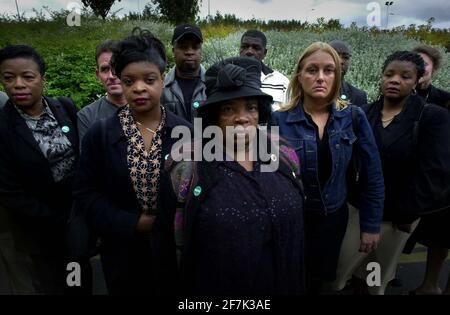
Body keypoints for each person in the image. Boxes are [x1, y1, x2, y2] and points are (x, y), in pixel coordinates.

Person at [169, 56, 305, 295]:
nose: (241, 117)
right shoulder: (186, 163)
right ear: (213, 116)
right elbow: (173, 240)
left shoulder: (284, 153)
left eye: (250, 107)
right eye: (228, 108)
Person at [73, 28, 192, 295]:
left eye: (149, 79)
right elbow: (85, 194)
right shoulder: (101, 134)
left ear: (163, 79)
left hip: (173, 253)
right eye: (129, 81)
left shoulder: (185, 133)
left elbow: (197, 190)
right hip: (122, 254)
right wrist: (132, 222)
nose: (139, 88)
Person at [334, 51, 450, 295]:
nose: (395, 80)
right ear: (381, 77)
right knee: (342, 270)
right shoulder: (363, 113)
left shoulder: (431, 117)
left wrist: (409, 212)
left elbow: (434, 172)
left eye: (405, 76)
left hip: (397, 218)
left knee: (374, 276)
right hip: (359, 209)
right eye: (389, 74)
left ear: (417, 80)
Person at [273, 42, 384, 294]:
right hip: (291, 221)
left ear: (337, 77)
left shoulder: (353, 117)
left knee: (321, 282)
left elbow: (372, 175)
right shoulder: (278, 120)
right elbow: (267, 178)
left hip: (332, 220)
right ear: (299, 76)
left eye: (329, 70)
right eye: (312, 70)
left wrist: (370, 225)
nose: (321, 77)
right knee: (288, 279)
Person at [0, 45, 79, 294]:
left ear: (43, 79)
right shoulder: (3, 128)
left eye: (27, 77)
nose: (18, 85)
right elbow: (9, 192)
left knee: (79, 280)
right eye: (8, 78)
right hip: (39, 233)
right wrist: (56, 218)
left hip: (76, 222)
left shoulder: (64, 108)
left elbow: (80, 158)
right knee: (52, 286)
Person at [404, 45, 450, 295]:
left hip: (440, 184)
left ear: (434, 69)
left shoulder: (444, 100)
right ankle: (386, 277)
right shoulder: (396, 96)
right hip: (408, 180)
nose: (420, 68)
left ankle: (431, 285)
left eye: (425, 64)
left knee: (441, 237)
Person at [77, 40, 127, 141]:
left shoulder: (147, 107)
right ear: (98, 75)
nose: (111, 76)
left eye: (116, 67)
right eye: (105, 69)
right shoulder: (87, 116)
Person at [161, 24, 206, 123]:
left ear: (201, 51)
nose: (189, 52)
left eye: (195, 47)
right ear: (173, 51)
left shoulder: (213, 84)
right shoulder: (162, 86)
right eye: (183, 47)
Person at [240, 29, 290, 111]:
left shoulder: (282, 82)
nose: (249, 51)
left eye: (256, 48)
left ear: (265, 53)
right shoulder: (226, 78)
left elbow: (288, 116)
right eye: (245, 47)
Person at [329, 40, 368, 106]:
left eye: (345, 57)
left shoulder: (358, 96)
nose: (340, 61)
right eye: (335, 56)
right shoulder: (309, 90)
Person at [412, 44, 450, 108]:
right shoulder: (398, 94)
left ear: (434, 69)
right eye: (415, 62)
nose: (418, 67)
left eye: (424, 64)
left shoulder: (446, 100)